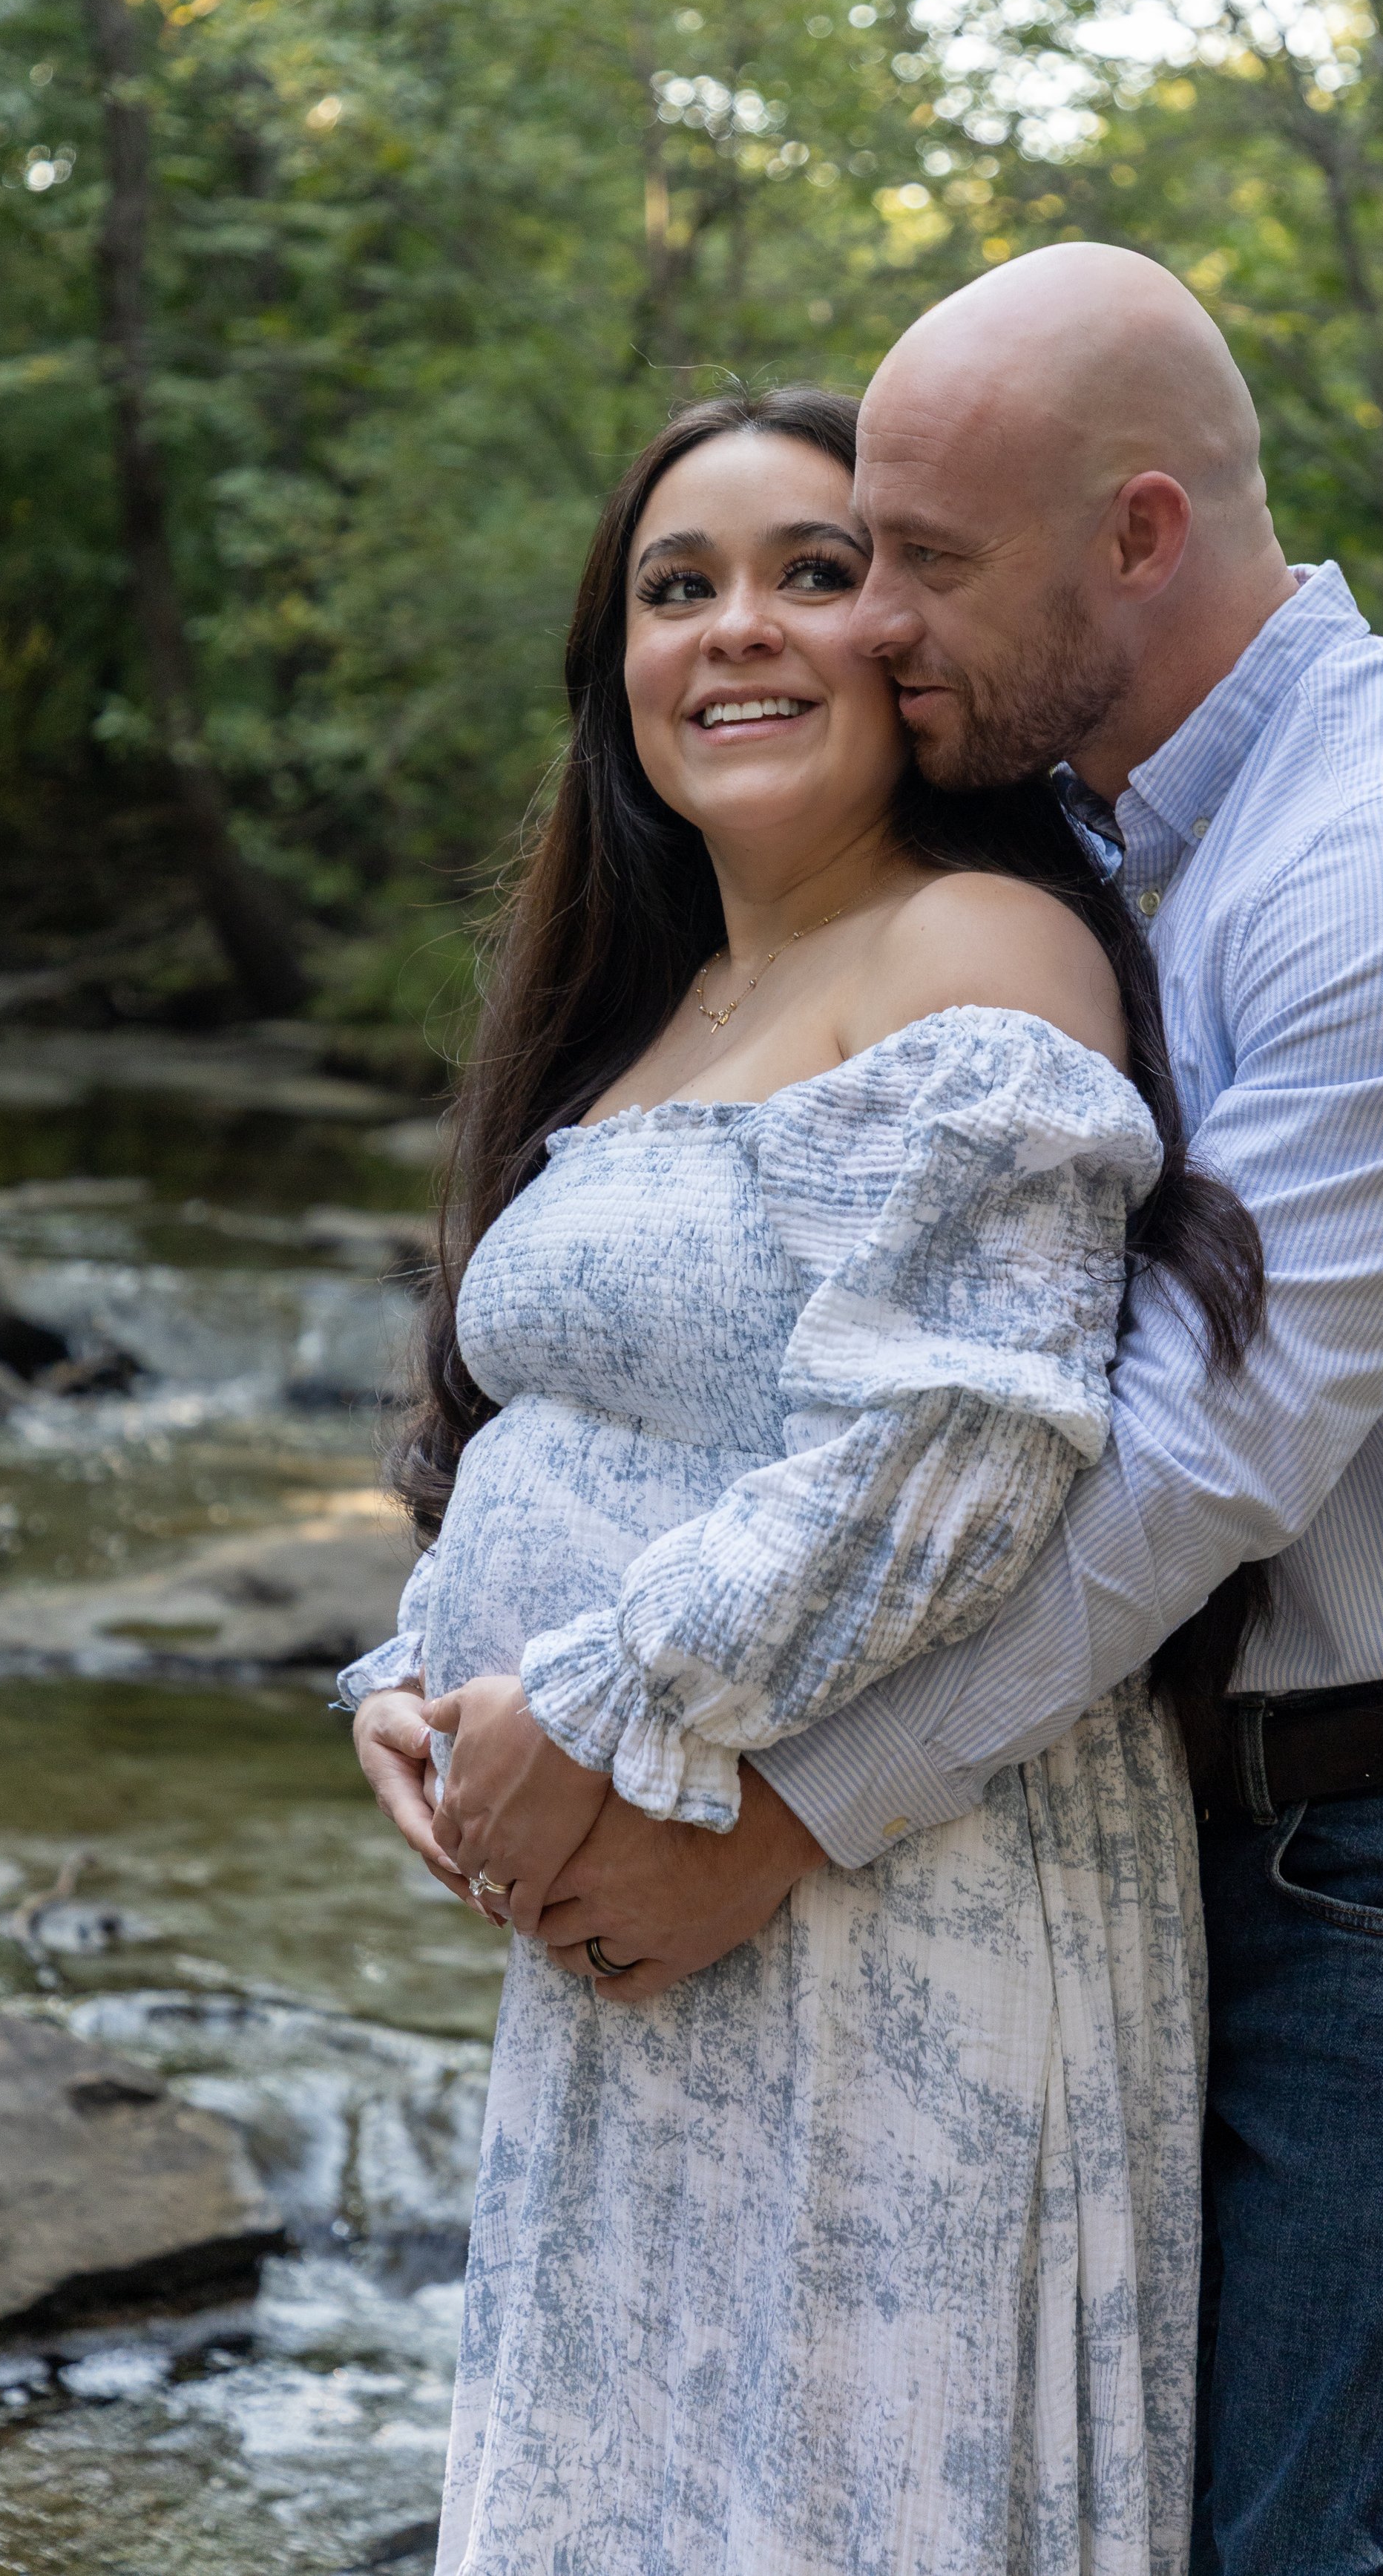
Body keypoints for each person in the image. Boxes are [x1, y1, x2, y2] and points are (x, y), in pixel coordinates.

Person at [479, 246, 1383, 2576]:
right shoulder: (1088, 834)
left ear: (1139, 535)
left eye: (919, 564)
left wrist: (774, 1820)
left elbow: (1185, 1454)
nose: (872, 629)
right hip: (1130, 1808)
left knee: (1313, 2551)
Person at [340, 381, 1265, 2576]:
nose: (737, 628)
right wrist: (412, 1689)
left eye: (814, 572)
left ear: (911, 639)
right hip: (639, 1902)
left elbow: (958, 1455)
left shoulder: (979, 950)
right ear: (619, 673)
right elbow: (578, 1434)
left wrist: (587, 1706)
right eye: (679, 588)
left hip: (883, 1900)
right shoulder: (644, 1011)